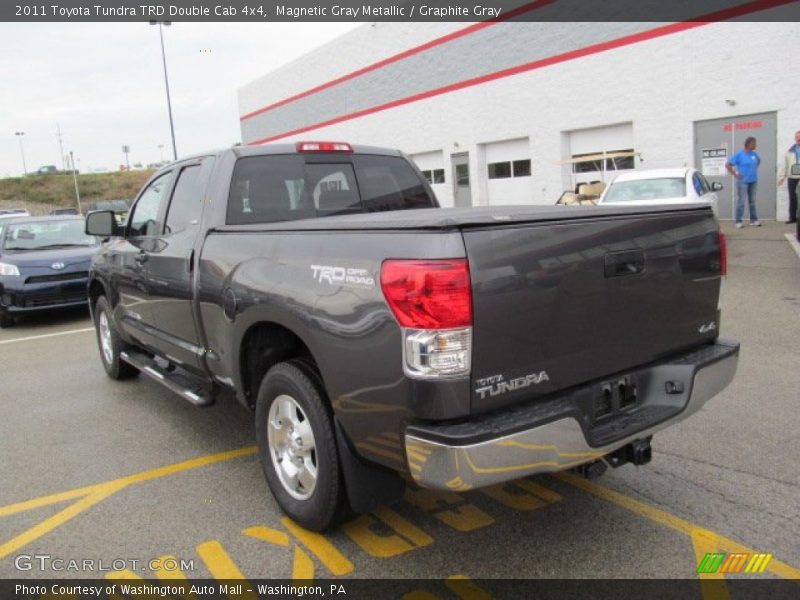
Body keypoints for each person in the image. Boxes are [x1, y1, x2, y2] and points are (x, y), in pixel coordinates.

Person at [726, 137, 761, 228]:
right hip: (743, 182)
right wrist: (735, 174)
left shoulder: (754, 154)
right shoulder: (739, 155)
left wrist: (752, 169)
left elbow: (758, 161)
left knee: (752, 201)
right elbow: (728, 165)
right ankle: (738, 221)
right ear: (748, 144)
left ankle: (753, 220)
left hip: (753, 180)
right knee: (741, 201)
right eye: (754, 143)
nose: (755, 145)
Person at [777, 130, 800, 224]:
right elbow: (785, 165)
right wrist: (782, 177)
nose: (799, 139)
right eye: (797, 137)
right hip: (792, 178)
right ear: (795, 138)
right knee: (793, 198)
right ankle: (792, 217)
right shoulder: (790, 151)